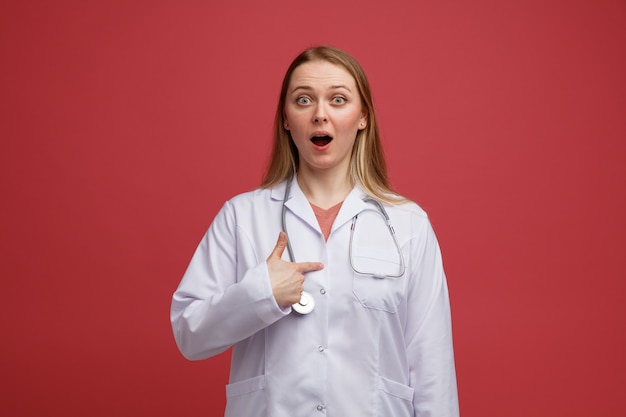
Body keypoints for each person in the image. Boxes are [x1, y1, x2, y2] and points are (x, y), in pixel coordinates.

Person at [170, 45, 459, 417]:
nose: (320, 115)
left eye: (338, 100)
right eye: (303, 100)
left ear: (362, 117)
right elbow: (189, 334)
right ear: (287, 119)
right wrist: (261, 293)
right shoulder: (241, 217)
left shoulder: (409, 225)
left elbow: (432, 365)